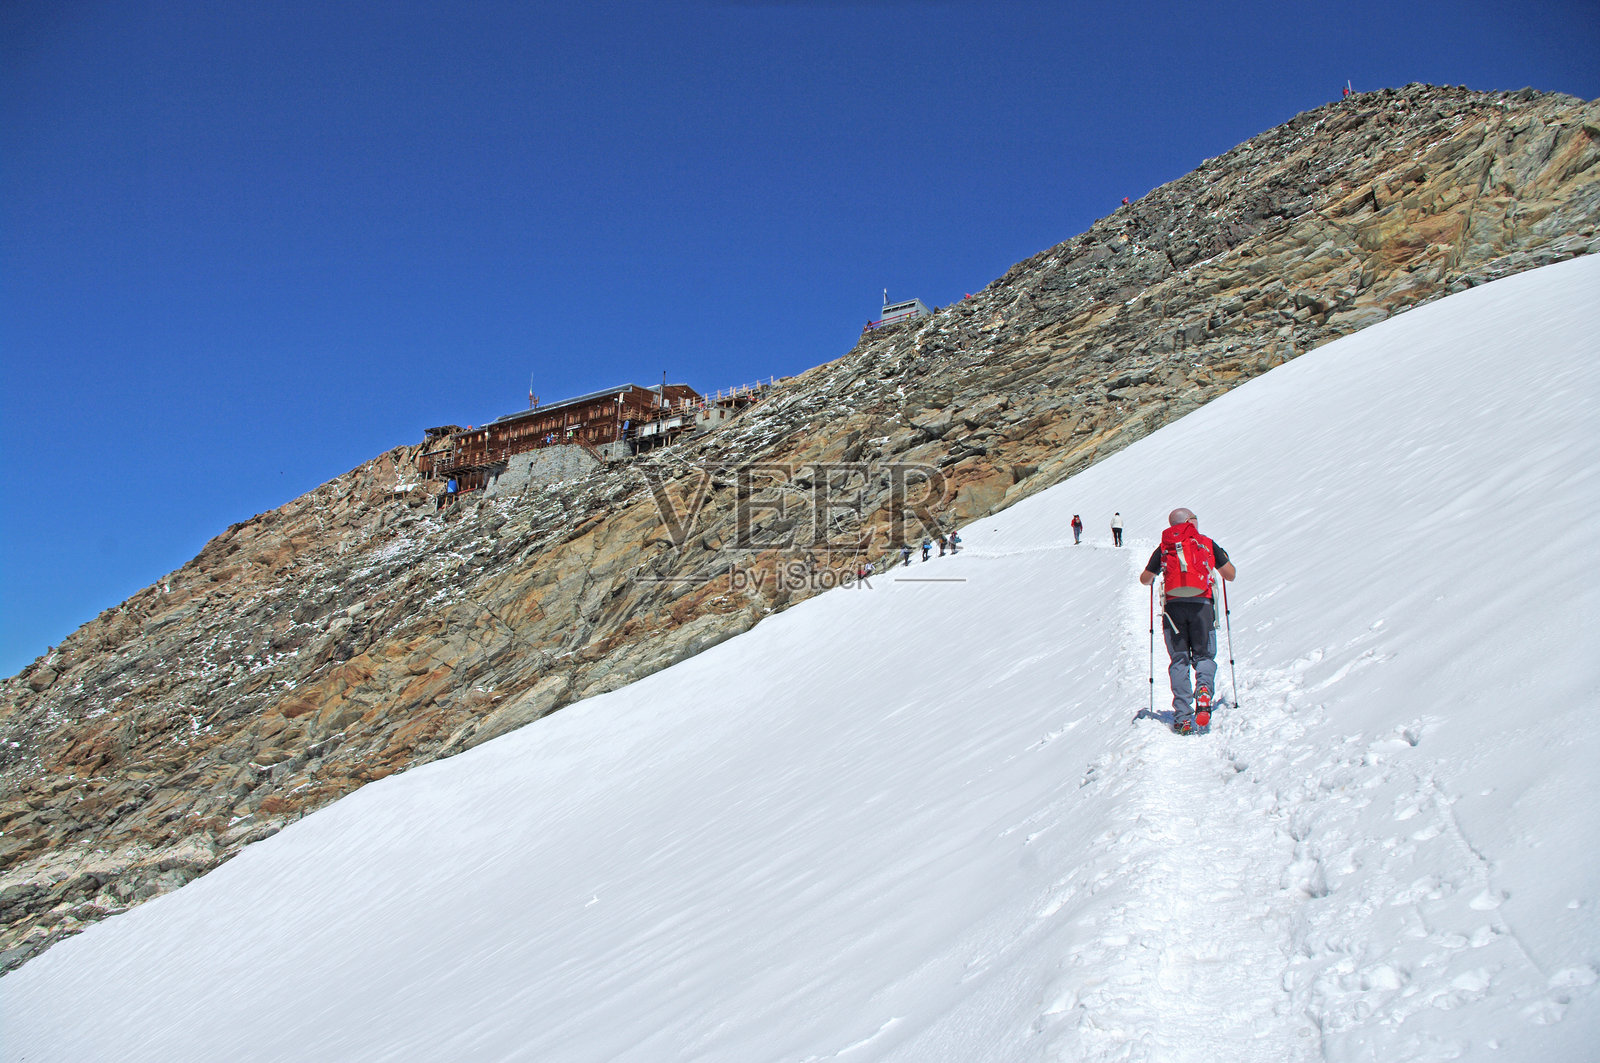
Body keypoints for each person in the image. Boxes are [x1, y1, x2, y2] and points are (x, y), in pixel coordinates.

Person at [1139, 508, 1237, 735]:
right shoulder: (1206, 543)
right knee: (1204, 656)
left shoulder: (1165, 547)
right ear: (1190, 521)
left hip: (1173, 610)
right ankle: (1203, 690)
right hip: (1202, 607)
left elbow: (1145, 579)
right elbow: (1230, 575)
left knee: (1179, 660)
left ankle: (1182, 717)